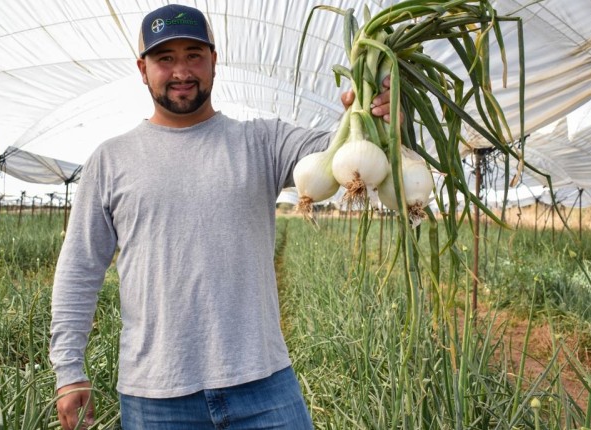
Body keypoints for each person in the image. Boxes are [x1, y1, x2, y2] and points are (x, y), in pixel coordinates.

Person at [49, 4, 396, 429]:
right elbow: (79, 268)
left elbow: (341, 155)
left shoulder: (262, 141)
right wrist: (69, 371)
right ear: (143, 69)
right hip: (156, 394)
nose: (181, 70)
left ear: (214, 61)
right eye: (165, 58)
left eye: (194, 54)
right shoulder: (111, 159)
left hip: (263, 383)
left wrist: (368, 111)